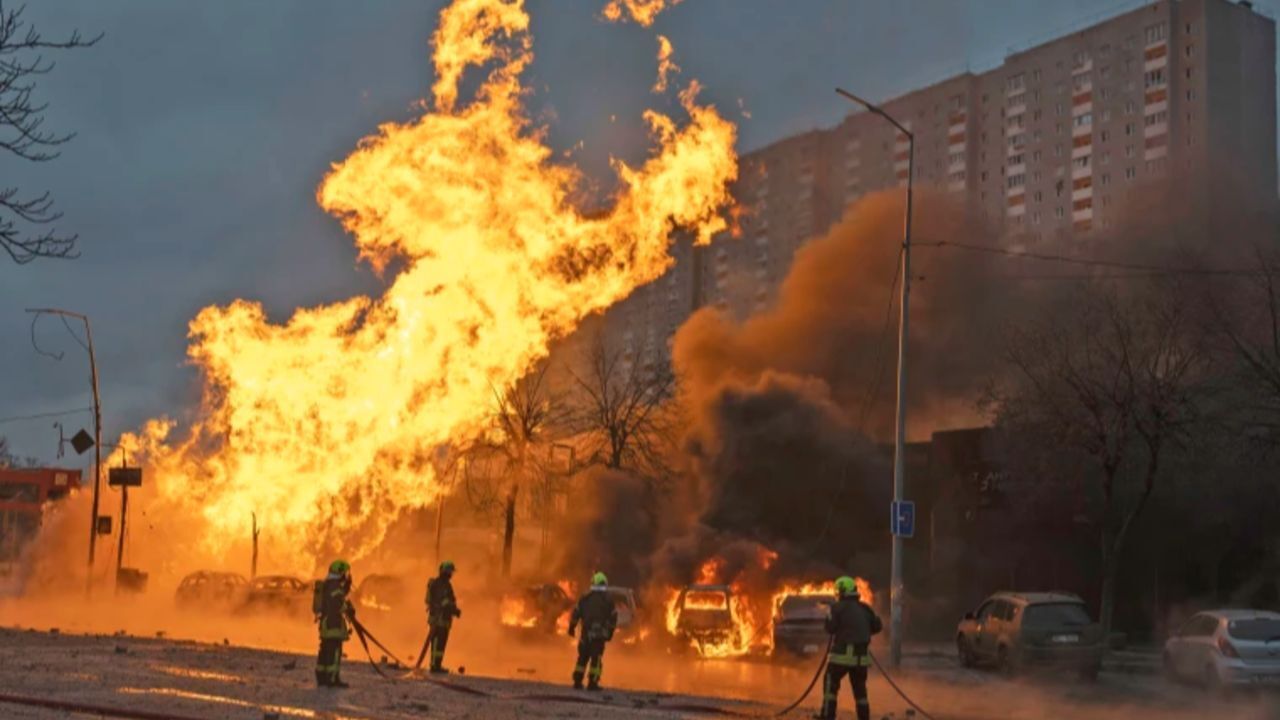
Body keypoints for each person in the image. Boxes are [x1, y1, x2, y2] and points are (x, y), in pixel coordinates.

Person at [818, 575, 882, 720]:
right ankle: (864, 717)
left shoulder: (836, 608)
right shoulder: (865, 608)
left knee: (830, 683)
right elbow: (877, 626)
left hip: (842, 656)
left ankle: (828, 716)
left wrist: (829, 614)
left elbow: (830, 628)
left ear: (841, 591)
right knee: (860, 691)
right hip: (861, 659)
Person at [568, 571, 617, 691]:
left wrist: (571, 628)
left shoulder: (585, 598)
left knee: (582, 658)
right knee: (596, 659)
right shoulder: (608, 600)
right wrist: (610, 633)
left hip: (585, 634)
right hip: (599, 636)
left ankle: (577, 682)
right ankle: (592, 683)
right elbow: (613, 618)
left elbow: (576, 613)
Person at [314, 559, 355, 688]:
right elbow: (338, 604)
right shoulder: (335, 587)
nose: (345, 576)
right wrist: (349, 609)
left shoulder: (329, 584)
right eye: (344, 573)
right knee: (334, 653)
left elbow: (338, 596)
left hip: (326, 625)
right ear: (340, 573)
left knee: (325, 651)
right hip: (333, 625)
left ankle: (322, 678)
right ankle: (332, 679)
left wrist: (347, 586)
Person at [422, 560, 461, 674]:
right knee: (436, 643)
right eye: (449, 571)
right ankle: (434, 665)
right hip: (437, 620)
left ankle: (438, 664)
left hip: (444, 620)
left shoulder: (447, 584)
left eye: (451, 572)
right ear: (444, 571)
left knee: (442, 644)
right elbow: (442, 601)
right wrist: (451, 608)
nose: (451, 574)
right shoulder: (438, 584)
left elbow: (449, 600)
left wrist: (454, 610)